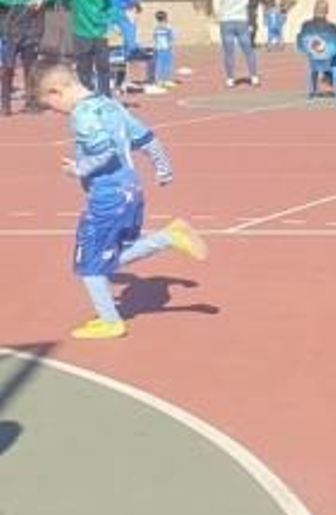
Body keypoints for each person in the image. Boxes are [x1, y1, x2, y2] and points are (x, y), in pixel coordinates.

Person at [34, 63, 207, 340]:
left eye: (52, 106)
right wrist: (163, 167)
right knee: (113, 257)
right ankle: (169, 237)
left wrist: (79, 168)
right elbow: (146, 137)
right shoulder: (110, 104)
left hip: (107, 196)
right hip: (131, 191)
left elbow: (105, 152)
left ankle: (111, 321)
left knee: (89, 263)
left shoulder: (82, 113)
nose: (58, 112)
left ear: (57, 91)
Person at [41, 0, 115, 97]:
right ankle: (86, 95)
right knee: (84, 68)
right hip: (81, 33)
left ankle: (106, 96)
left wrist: (111, 22)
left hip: (100, 33)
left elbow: (109, 7)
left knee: (103, 66)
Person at [0, 0, 45, 115]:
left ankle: (31, 103)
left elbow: (40, 13)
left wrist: (38, 33)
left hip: (30, 35)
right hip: (10, 34)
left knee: (30, 70)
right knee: (7, 68)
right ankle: (5, 105)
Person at [211, 0, 259, 86]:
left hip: (226, 21)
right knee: (248, 49)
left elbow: (216, 3)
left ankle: (230, 79)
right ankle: (254, 76)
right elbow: (248, 1)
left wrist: (218, 15)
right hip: (241, 19)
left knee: (228, 51)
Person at [150, 10, 176, 89]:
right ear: (165, 18)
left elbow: (154, 38)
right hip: (166, 48)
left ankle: (159, 80)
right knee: (167, 64)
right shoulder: (168, 27)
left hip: (158, 49)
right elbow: (171, 38)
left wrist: (155, 47)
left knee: (159, 65)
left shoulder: (156, 28)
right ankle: (167, 80)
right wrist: (172, 48)